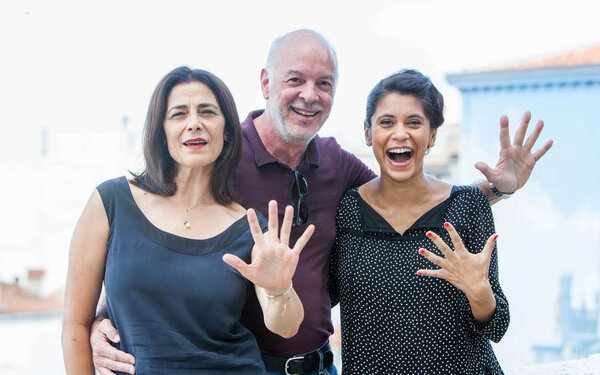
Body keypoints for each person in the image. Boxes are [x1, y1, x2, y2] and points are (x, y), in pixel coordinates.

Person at [90, 30, 553, 375]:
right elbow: (157, 237)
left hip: (322, 367)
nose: (310, 95)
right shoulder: (218, 160)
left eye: (324, 83)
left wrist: (498, 191)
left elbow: (410, 203)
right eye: (296, 80)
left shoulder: (338, 165)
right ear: (266, 82)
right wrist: (103, 320)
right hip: (243, 366)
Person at [61, 66, 315, 375]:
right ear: (161, 130)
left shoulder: (251, 227)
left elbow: (286, 326)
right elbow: (75, 325)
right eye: (179, 114)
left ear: (227, 131)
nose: (194, 124)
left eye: (207, 113)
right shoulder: (110, 202)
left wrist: (279, 288)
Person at [328, 69, 544, 374]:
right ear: (368, 133)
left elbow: (496, 326)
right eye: (386, 122)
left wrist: (478, 291)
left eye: (414, 122)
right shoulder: (347, 209)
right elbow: (321, 299)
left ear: (432, 135)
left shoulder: (468, 207)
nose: (400, 133)